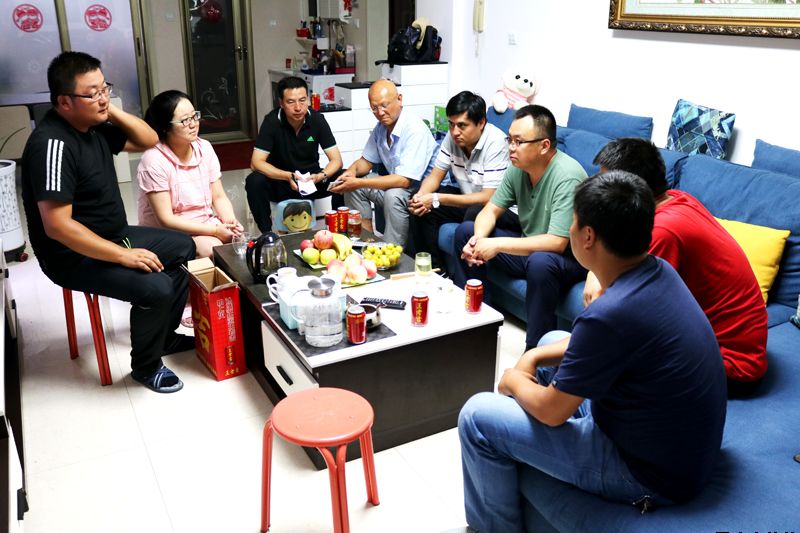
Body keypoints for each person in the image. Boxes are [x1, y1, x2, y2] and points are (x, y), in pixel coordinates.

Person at [458, 171, 727, 533]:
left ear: (588, 236)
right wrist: (534, 357)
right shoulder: (656, 270)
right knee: (550, 340)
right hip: (677, 449)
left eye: (572, 222)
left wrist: (512, 380)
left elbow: (553, 412)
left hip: (647, 473)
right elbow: (601, 339)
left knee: (476, 416)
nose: (568, 230)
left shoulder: (609, 313)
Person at [20, 51, 196, 393]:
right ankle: (146, 366)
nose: (103, 98)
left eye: (105, 88)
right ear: (64, 102)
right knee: (157, 287)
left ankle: (163, 337)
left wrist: (104, 106)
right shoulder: (52, 144)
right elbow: (57, 226)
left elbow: (148, 139)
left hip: (114, 235)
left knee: (182, 247)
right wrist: (123, 256)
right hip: (71, 255)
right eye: (93, 93)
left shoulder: (93, 126)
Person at [586, 138, 768, 395]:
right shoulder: (677, 198)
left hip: (731, 365)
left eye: (604, 183)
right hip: (732, 347)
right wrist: (594, 272)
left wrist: (595, 273)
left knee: (609, 356)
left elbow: (622, 301)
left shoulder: (663, 230)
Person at [454, 105, 587, 350]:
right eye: (510, 140)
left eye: (518, 142)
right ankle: (479, 322)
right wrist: (478, 241)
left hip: (567, 259)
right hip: (531, 249)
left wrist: (496, 245)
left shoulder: (567, 176)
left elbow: (557, 243)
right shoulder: (518, 168)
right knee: (466, 232)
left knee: (541, 262)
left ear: (544, 146)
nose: (511, 148)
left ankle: (535, 351)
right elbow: (491, 210)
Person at [407, 91, 516, 270]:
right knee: (418, 202)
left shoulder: (496, 143)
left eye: (462, 125)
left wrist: (436, 198)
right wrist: (421, 197)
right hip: (469, 199)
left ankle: (467, 276)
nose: (455, 132)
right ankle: (434, 270)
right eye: (451, 124)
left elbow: (488, 197)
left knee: (473, 211)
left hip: (498, 207)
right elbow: (435, 176)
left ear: (481, 123)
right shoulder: (452, 138)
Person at [137, 90, 243, 258]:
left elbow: (218, 196)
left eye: (194, 116)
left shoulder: (204, 148)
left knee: (239, 242)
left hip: (204, 223)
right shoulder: (153, 160)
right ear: (165, 127)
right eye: (185, 120)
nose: (193, 124)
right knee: (214, 250)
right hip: (169, 233)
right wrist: (215, 231)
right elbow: (166, 219)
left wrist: (230, 222)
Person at [330, 79, 437, 246]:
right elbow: (365, 162)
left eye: (384, 105)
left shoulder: (414, 129)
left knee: (392, 195)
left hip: (420, 192)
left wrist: (357, 182)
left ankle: (391, 252)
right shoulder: (381, 128)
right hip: (399, 187)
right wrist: (351, 172)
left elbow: (404, 180)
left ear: (399, 99)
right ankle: (365, 242)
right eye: (374, 108)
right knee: (354, 188)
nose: (380, 112)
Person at [245, 76, 343, 233]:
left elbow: (336, 160)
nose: (298, 107)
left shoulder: (317, 120)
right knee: (254, 181)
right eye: (291, 102)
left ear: (308, 100)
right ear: (281, 103)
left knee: (343, 176)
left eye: (302, 100)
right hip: (281, 181)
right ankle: (267, 234)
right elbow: (256, 162)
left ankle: (339, 229)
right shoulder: (272, 122)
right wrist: (286, 176)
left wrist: (321, 176)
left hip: (312, 181)